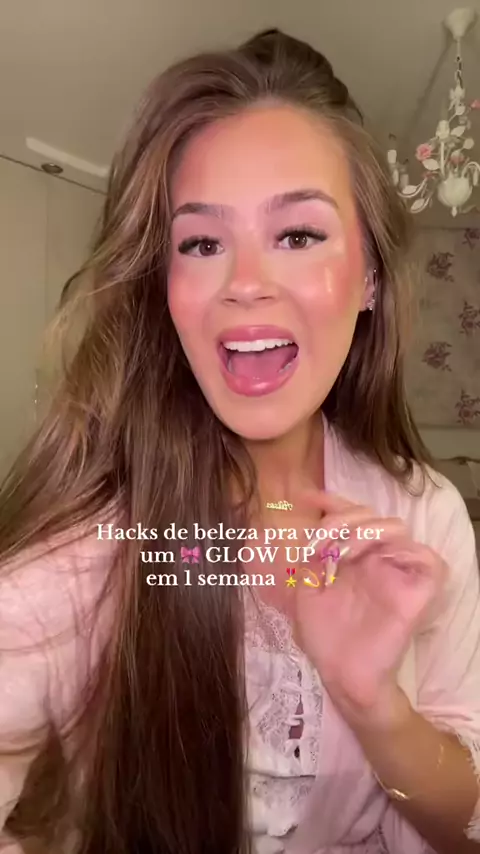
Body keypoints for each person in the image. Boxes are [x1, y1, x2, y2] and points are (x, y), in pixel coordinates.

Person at [0, 27, 479, 854]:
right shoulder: (98, 533)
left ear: (369, 276)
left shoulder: (424, 515)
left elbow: (457, 825)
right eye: (201, 243)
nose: (246, 284)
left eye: (297, 235)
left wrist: (373, 706)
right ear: (165, 286)